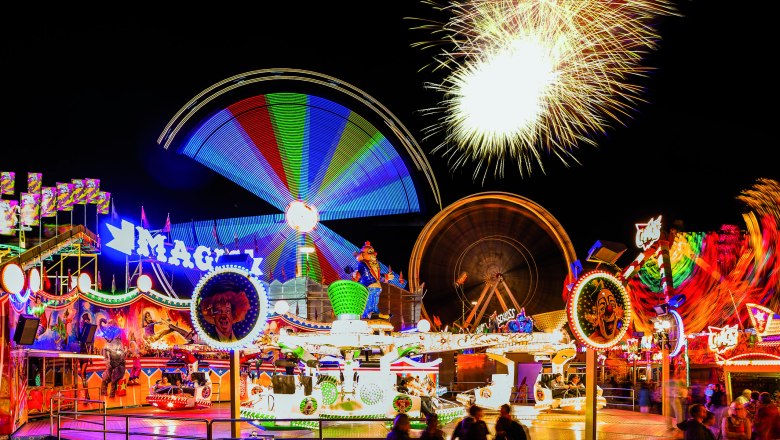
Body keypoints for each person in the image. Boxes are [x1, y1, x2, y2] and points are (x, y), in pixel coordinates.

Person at [352, 241, 394, 319]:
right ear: (363, 254)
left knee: (375, 300)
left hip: (376, 286)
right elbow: (357, 274)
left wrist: (386, 276)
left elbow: (377, 276)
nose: (374, 254)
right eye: (370, 252)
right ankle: (369, 313)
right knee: (369, 299)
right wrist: (355, 275)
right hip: (368, 286)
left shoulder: (375, 265)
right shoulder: (362, 264)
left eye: (373, 252)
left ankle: (375, 312)